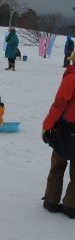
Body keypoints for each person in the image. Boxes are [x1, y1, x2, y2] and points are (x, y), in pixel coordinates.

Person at [42, 65, 75, 219]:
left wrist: (47, 126)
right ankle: (71, 206)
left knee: (57, 165)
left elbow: (60, 104)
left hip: (66, 130)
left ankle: (51, 200)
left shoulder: (71, 77)